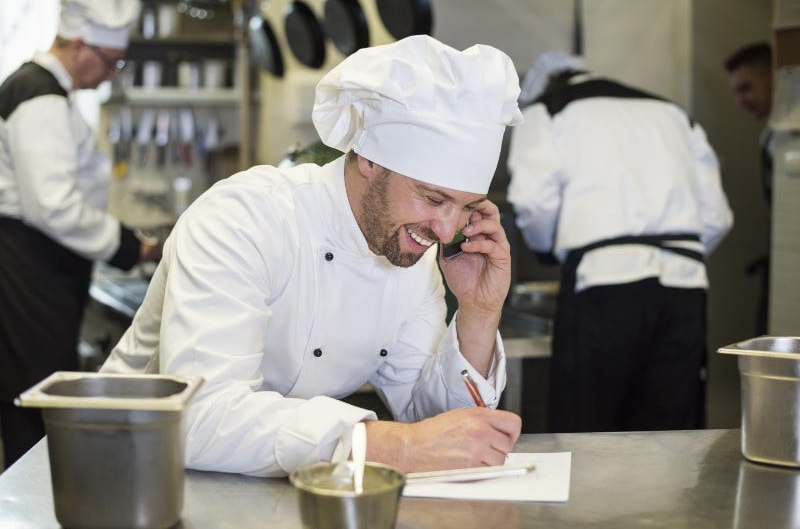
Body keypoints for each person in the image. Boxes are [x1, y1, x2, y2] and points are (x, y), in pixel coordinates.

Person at [101, 35, 524, 477]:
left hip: (251, 489)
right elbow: (200, 417)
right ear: (369, 159)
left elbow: (431, 428)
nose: (446, 231)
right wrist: (394, 446)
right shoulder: (245, 219)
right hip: (123, 468)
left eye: (467, 206)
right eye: (433, 198)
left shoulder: (409, 259)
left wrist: (479, 311)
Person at [507, 51, 733, 433]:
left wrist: (546, 249)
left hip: (602, 287)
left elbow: (532, 202)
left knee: (588, 431)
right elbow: (717, 216)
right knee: (673, 435)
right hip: (684, 287)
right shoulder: (673, 113)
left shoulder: (548, 110)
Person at [0, 0, 154, 468]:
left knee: (30, 397)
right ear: (81, 45)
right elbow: (52, 204)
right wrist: (129, 245)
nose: (110, 75)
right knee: (36, 406)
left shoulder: (40, 90)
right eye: (110, 62)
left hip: (34, 263)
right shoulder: (40, 96)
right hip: (30, 266)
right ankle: (36, 501)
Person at [725, 42, 773, 335]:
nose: (741, 100)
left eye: (746, 88)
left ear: (772, 77)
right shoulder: (771, 135)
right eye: (736, 92)